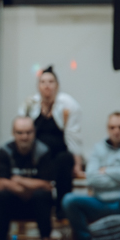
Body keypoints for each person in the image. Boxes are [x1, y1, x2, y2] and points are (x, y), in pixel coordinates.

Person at [61, 113, 120, 240]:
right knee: (69, 200)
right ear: (107, 129)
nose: (116, 131)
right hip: (100, 202)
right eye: (112, 127)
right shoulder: (98, 148)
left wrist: (106, 170)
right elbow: (91, 178)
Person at [0, 117, 57, 240]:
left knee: (42, 196)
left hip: (37, 206)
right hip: (13, 205)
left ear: (34, 133)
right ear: (13, 133)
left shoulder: (43, 151)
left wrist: (19, 180)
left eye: (28, 132)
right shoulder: (5, 151)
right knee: (2, 196)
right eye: (20, 133)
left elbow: (47, 185)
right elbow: (1, 183)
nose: (24, 137)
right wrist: (28, 188)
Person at [20, 66, 83, 199]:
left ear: (57, 85)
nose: (47, 86)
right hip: (37, 156)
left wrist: (77, 164)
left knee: (64, 159)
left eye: (50, 82)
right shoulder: (30, 104)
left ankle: (62, 206)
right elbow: (21, 130)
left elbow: (73, 135)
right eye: (43, 82)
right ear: (38, 86)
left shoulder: (68, 105)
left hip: (59, 156)